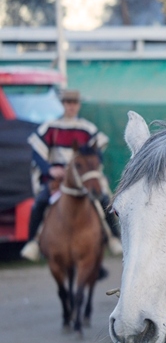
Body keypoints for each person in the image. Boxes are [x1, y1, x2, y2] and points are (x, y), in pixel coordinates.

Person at [21, 89, 120, 264]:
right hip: (58, 178)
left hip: (82, 177)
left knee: (104, 199)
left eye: (74, 103)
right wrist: (48, 170)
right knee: (40, 202)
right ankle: (33, 242)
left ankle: (114, 238)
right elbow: (37, 152)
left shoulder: (87, 128)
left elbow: (97, 152)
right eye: (68, 103)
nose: (71, 107)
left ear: (78, 105)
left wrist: (93, 169)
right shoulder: (51, 126)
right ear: (63, 104)